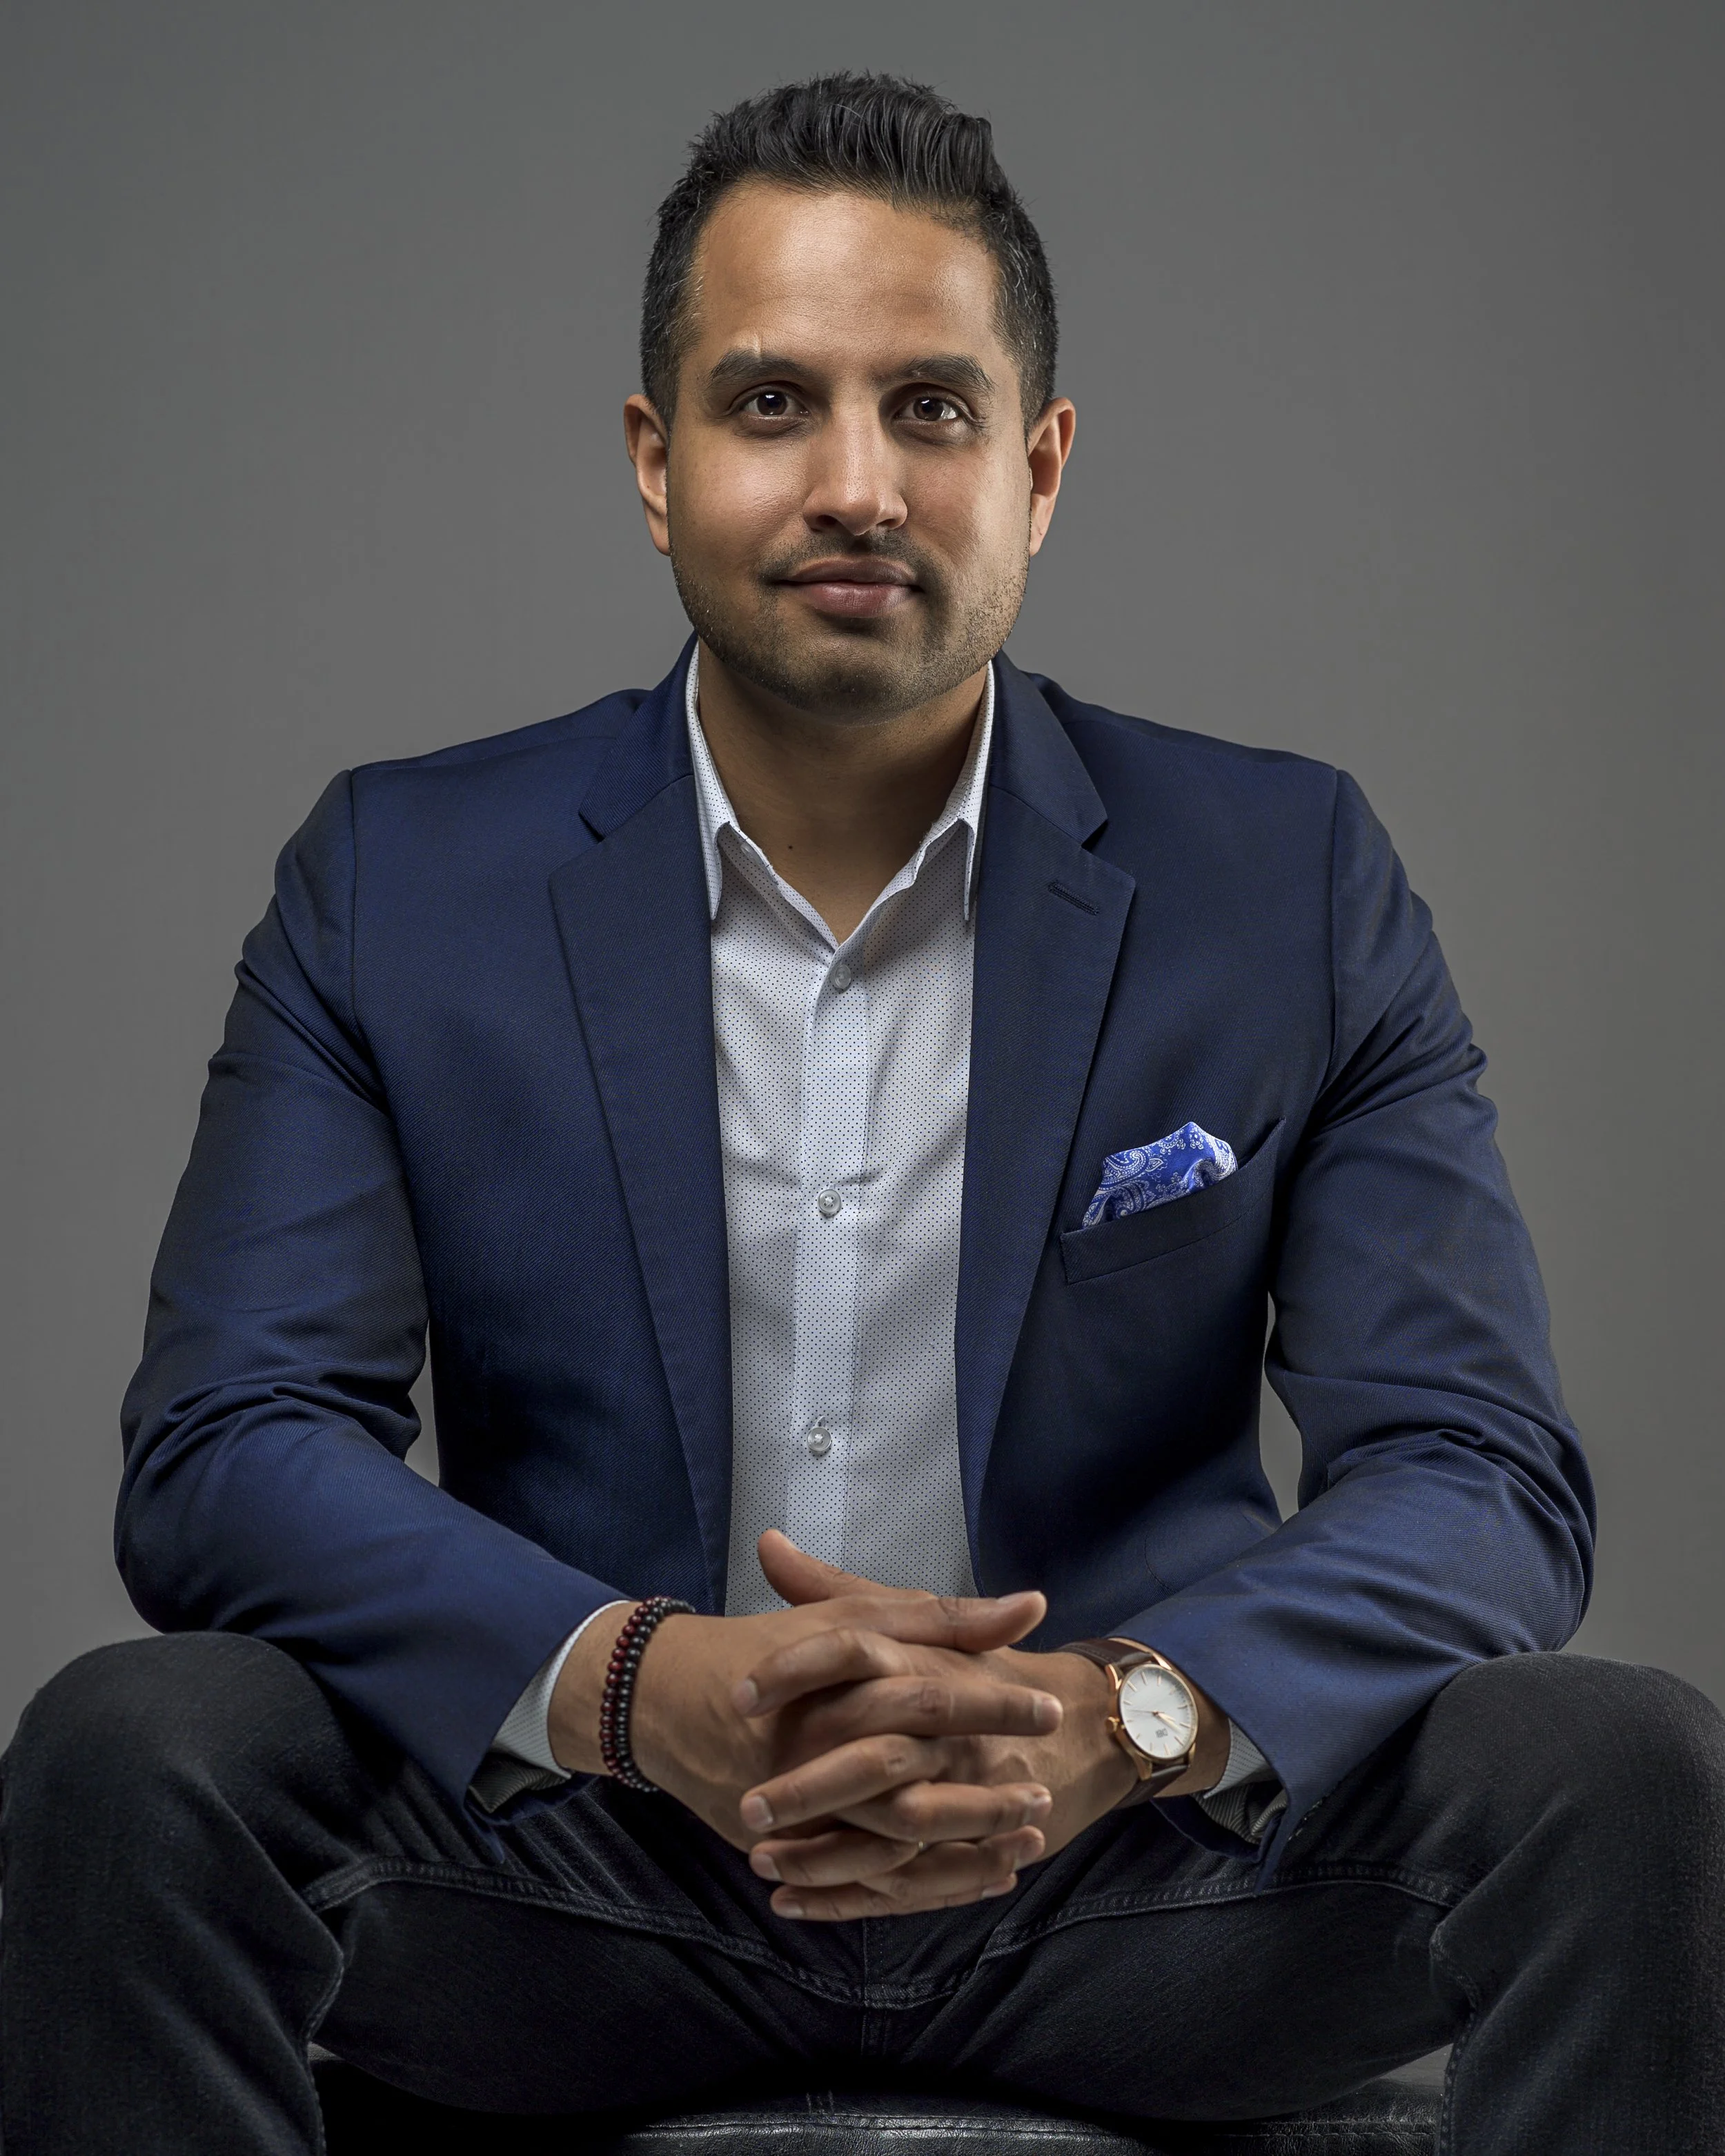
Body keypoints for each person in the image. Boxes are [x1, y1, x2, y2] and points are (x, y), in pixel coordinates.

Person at [1, 71, 1720, 2156]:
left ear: (1040, 464)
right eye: (768, 404)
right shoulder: (397, 879)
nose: (856, 483)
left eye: (929, 406)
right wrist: (632, 1684)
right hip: (580, 1883)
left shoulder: (1285, 880)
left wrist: (1123, 1716)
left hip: (1139, 1887)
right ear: (655, 461)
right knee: (131, 1743)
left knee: (1627, 1761)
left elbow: (1480, 1472)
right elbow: (225, 1448)